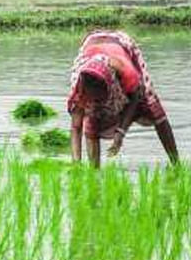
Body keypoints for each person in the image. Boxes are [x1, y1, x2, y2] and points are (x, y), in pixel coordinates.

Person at [68, 29, 177, 167]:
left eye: (100, 95)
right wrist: (76, 163)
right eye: (93, 96)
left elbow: (136, 96)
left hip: (120, 44)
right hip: (92, 46)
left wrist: (121, 131)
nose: (97, 100)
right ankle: (94, 173)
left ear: (109, 85)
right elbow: (76, 127)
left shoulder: (126, 71)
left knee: (151, 105)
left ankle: (176, 163)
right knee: (92, 118)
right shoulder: (79, 85)